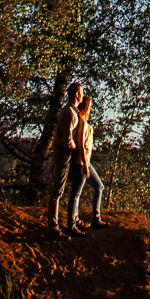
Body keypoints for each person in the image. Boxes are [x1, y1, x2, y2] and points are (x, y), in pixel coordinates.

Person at [49, 80, 87, 234]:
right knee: (57, 191)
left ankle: (67, 223)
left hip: (63, 152)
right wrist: (77, 149)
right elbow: (67, 139)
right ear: (76, 95)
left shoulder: (69, 111)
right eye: (81, 93)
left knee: (60, 190)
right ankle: (54, 228)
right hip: (63, 153)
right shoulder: (71, 113)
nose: (83, 96)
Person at [69, 92, 108, 230]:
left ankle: (94, 219)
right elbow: (79, 143)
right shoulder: (82, 123)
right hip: (81, 161)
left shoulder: (83, 122)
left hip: (85, 160)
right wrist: (85, 164)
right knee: (77, 192)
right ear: (86, 106)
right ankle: (74, 222)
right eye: (90, 106)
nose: (91, 109)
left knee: (98, 186)